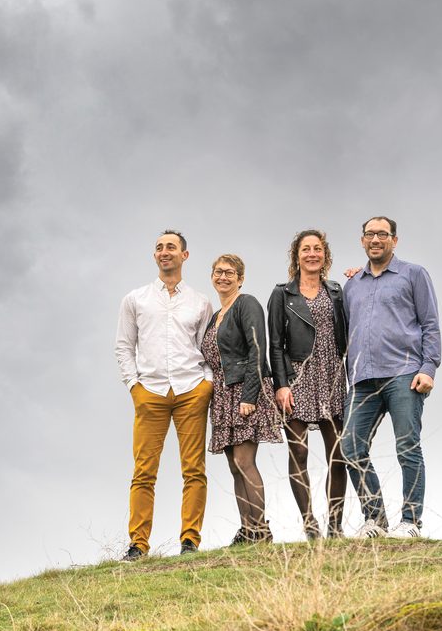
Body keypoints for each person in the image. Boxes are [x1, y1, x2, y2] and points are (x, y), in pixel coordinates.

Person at [115, 231, 215, 560]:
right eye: (159, 248)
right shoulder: (136, 299)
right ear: (155, 256)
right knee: (144, 472)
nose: (164, 252)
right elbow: (124, 346)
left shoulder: (200, 302)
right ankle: (138, 545)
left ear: (184, 255)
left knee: (194, 470)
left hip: (191, 391)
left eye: (171, 247)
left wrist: (207, 384)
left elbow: (207, 348)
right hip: (150, 393)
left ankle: (190, 541)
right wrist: (134, 386)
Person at [340, 216, 441, 539]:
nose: (376, 239)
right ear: (362, 240)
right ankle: (375, 520)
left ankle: (410, 522)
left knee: (407, 447)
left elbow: (430, 323)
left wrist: (428, 368)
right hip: (362, 380)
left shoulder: (414, 274)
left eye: (382, 234)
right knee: (350, 447)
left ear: (394, 240)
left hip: (404, 374)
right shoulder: (352, 285)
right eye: (370, 234)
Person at [267, 230, 349, 539]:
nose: (312, 254)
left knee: (338, 454)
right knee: (298, 453)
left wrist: (357, 276)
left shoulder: (337, 291)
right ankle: (310, 524)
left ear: (325, 255)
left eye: (317, 249)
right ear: (297, 255)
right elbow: (275, 344)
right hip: (297, 378)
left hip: (332, 376)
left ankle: (335, 526)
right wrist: (281, 384)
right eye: (306, 249)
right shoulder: (282, 294)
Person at [199, 254, 282, 545]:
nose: (223, 277)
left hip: (246, 391)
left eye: (230, 272)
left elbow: (257, 349)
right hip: (223, 396)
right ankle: (247, 531)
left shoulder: (246, 303)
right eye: (218, 272)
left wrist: (249, 396)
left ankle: (261, 531)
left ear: (240, 278)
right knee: (234, 466)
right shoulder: (215, 316)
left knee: (245, 461)